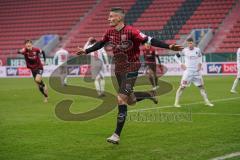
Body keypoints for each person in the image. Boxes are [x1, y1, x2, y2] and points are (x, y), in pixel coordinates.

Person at [76, 7, 183, 144]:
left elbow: (150, 40)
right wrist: (86, 51)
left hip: (132, 67)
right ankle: (149, 94)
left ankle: (116, 135)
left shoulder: (132, 31)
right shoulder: (109, 32)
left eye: (111, 16)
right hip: (119, 69)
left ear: (119, 18)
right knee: (130, 101)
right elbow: (101, 44)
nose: (108, 19)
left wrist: (169, 47)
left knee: (120, 99)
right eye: (108, 17)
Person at [174, 38, 213, 107]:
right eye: (188, 43)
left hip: (196, 72)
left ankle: (207, 102)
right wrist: (181, 64)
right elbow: (175, 57)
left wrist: (200, 64)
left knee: (201, 87)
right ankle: (176, 103)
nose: (190, 44)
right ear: (187, 43)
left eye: (191, 43)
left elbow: (200, 57)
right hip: (188, 72)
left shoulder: (197, 50)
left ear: (193, 43)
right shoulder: (184, 50)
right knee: (182, 87)